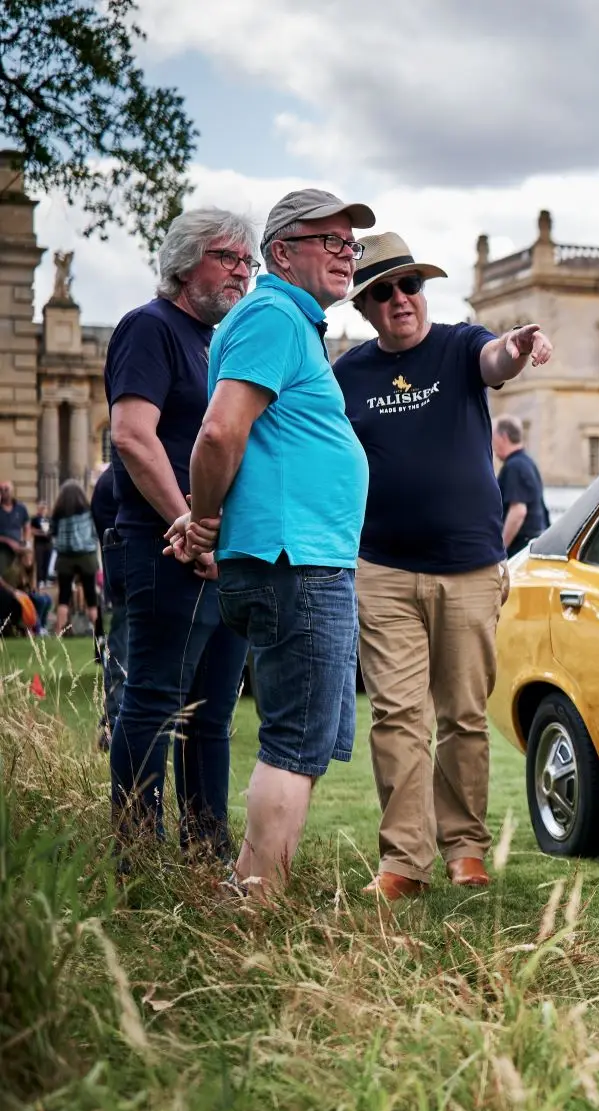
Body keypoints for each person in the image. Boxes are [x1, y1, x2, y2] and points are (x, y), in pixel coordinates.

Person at [332, 233, 552, 900]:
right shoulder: (348, 376)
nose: (400, 299)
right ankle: (404, 861)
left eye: (410, 285)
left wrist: (514, 348)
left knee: (461, 714)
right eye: (383, 292)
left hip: (469, 568)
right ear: (366, 306)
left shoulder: (459, 345)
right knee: (397, 716)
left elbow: (494, 360)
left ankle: (465, 849)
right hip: (385, 571)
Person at [174, 188, 376, 896]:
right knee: (293, 743)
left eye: (352, 244)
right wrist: (202, 517)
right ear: (282, 252)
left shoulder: (277, 321)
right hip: (297, 564)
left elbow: (252, 447)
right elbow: (220, 433)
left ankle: (256, 890)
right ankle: (256, 905)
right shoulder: (274, 316)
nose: (347, 254)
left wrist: (207, 518)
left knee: (306, 741)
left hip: (299, 558)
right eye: (331, 240)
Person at [105, 208, 258, 860]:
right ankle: (137, 855)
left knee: (213, 715)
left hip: (220, 557)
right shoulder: (151, 328)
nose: (242, 273)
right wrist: (187, 523)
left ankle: (206, 855)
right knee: (153, 704)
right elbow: (133, 436)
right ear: (185, 259)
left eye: (248, 263)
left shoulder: (216, 343)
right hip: (163, 546)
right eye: (229, 258)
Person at [91, 464, 125, 751]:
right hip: (130, 583)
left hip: (129, 582)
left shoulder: (109, 480)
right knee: (122, 652)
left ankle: (116, 723)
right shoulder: (113, 483)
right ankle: (114, 724)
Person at [49, 480, 100, 636]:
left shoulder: (58, 514)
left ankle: (58, 632)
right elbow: (95, 531)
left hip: (65, 556)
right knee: (91, 595)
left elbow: (53, 533)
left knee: (64, 596)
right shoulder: (89, 511)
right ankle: (98, 632)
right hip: (86, 555)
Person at [493, 417, 549, 556]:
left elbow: (518, 511)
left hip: (519, 547)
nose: (492, 445)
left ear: (503, 437)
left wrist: (500, 549)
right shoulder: (527, 462)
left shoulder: (515, 466)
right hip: (533, 544)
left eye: (493, 438)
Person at [0, 480, 29, 590]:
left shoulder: (21, 508)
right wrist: (8, 541)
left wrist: (25, 542)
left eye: (6, 489)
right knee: (5, 578)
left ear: (13, 491)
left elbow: (27, 525)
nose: (3, 492)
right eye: (1, 489)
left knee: (21, 576)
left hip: (18, 550)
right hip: (2, 550)